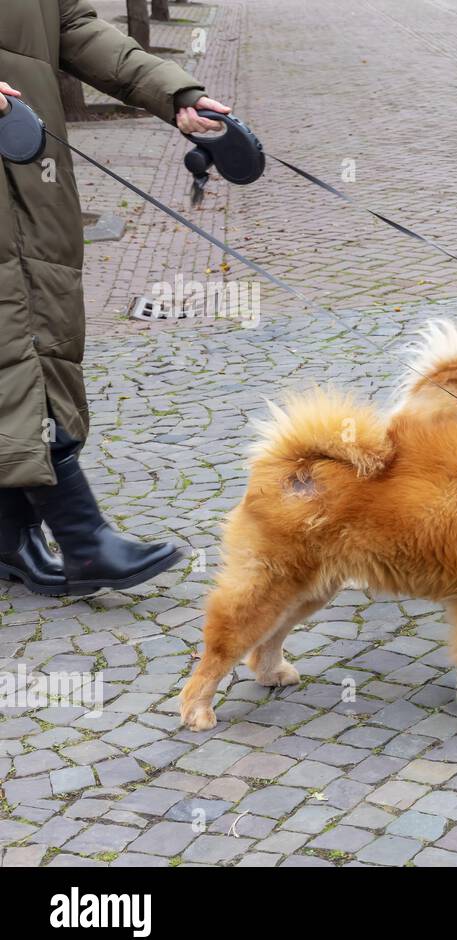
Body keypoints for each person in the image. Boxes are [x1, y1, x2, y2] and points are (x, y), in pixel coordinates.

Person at [1, 0, 232, 596]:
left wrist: (173, 93)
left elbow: (72, 25)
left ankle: (10, 536)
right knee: (12, 348)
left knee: (38, 337)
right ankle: (83, 541)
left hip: (30, 178)